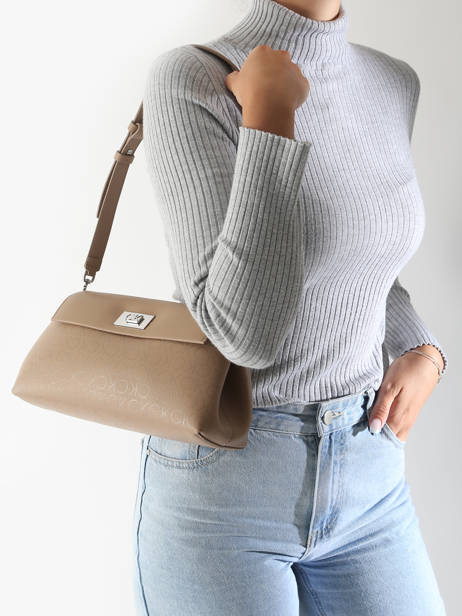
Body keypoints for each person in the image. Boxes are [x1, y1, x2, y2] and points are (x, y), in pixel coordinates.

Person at [133, 0, 448, 613]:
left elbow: (357, 255)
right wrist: (271, 119)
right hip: (225, 480)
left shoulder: (393, 81)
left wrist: (421, 346)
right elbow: (240, 332)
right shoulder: (192, 78)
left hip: (369, 469)